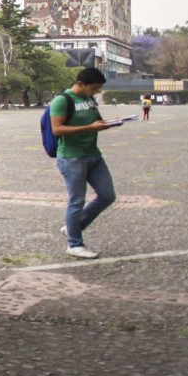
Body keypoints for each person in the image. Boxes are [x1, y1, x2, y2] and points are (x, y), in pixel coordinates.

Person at [50, 67, 118, 259]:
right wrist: (90, 127)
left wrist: (109, 123)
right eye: (94, 88)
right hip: (72, 157)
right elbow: (57, 129)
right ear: (81, 83)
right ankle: (74, 244)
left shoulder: (89, 100)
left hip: (93, 154)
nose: (95, 92)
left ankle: (73, 228)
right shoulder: (62, 101)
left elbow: (97, 121)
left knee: (107, 195)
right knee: (77, 200)